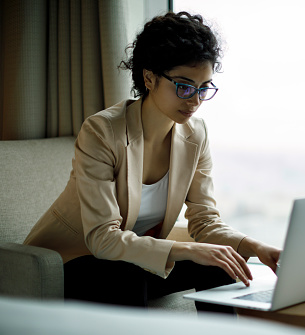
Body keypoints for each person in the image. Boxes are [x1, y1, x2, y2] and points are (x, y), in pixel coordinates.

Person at [24, 11, 281, 312]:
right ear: (149, 77)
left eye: (204, 88)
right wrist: (186, 249)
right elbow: (103, 239)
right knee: (126, 276)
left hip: (131, 261)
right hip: (69, 262)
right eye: (184, 86)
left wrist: (255, 247)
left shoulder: (195, 135)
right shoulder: (102, 131)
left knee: (221, 263)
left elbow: (205, 221)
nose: (195, 100)